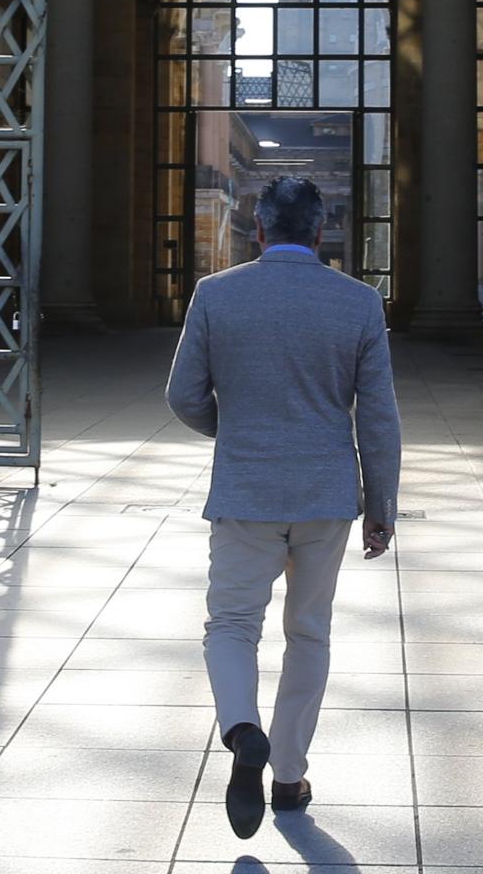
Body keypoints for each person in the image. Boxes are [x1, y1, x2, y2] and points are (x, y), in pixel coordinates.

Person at [165, 173, 401, 840]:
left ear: (259, 230)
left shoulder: (216, 295)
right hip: (326, 497)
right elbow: (379, 417)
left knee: (232, 623)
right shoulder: (358, 303)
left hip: (245, 492)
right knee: (309, 632)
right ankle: (289, 777)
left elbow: (183, 396)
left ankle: (243, 730)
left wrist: (234, 431)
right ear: (321, 232)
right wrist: (380, 502)